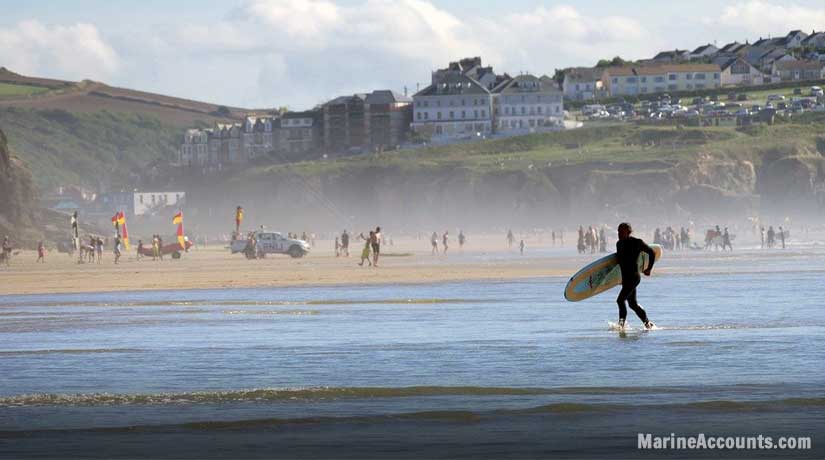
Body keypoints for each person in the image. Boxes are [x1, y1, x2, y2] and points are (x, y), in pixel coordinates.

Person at [615, 223, 656, 330]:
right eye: (618, 231)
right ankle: (648, 324)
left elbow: (651, 252)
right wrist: (618, 278)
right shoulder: (619, 244)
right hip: (625, 278)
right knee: (633, 304)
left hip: (633, 277)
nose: (619, 234)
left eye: (621, 232)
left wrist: (649, 269)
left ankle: (621, 326)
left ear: (628, 232)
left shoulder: (636, 242)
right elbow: (620, 262)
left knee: (620, 300)